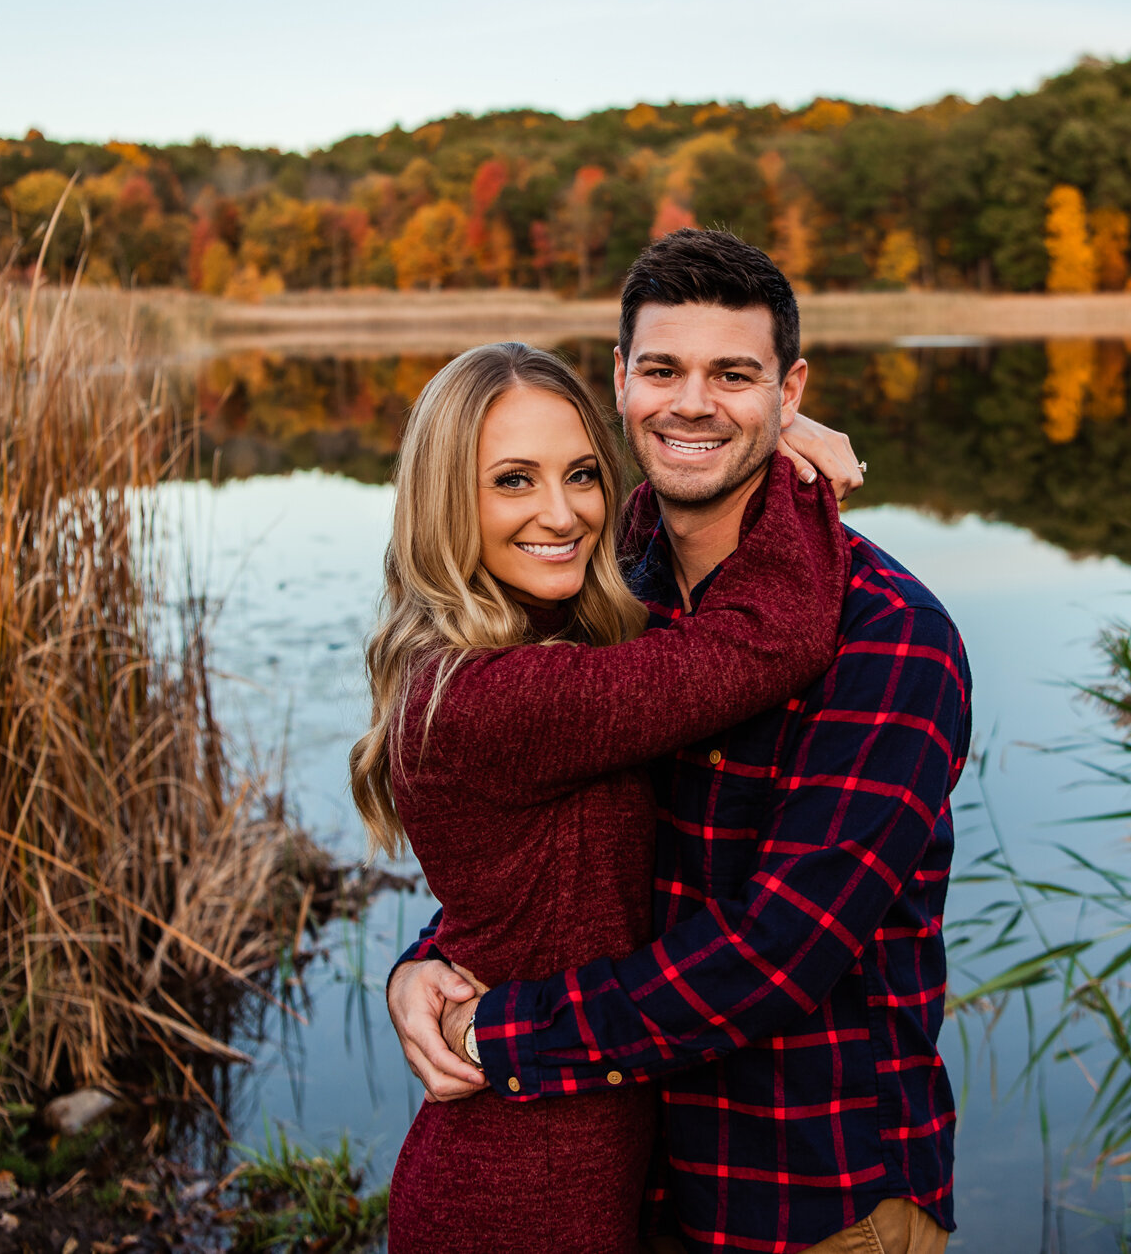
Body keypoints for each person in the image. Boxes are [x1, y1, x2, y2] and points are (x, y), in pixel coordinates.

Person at [389, 230, 972, 1254]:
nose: (691, 402)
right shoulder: (611, 577)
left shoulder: (890, 641)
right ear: (620, 382)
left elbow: (773, 953)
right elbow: (543, 837)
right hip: (634, 1180)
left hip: (810, 1193)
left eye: (732, 374)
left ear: (788, 392)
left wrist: (503, 1031)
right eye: (662, 369)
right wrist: (428, 956)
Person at [354, 340, 851, 1254]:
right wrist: (782, 451)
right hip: (517, 1197)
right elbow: (768, 641)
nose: (562, 512)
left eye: (582, 472)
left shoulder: (536, 643)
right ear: (443, 504)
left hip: (576, 1168)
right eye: (512, 480)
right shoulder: (494, 696)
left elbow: (526, 892)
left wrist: (731, 437)